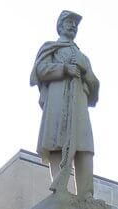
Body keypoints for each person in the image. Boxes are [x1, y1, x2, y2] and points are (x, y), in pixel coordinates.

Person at [30, 10, 99, 198]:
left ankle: (86, 194)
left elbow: (94, 87)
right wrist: (64, 69)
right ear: (60, 25)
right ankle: (60, 189)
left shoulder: (83, 57)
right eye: (69, 22)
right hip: (58, 102)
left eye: (75, 24)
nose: (73, 26)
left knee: (84, 146)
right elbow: (40, 71)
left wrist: (85, 71)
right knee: (56, 142)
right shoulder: (50, 48)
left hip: (79, 106)